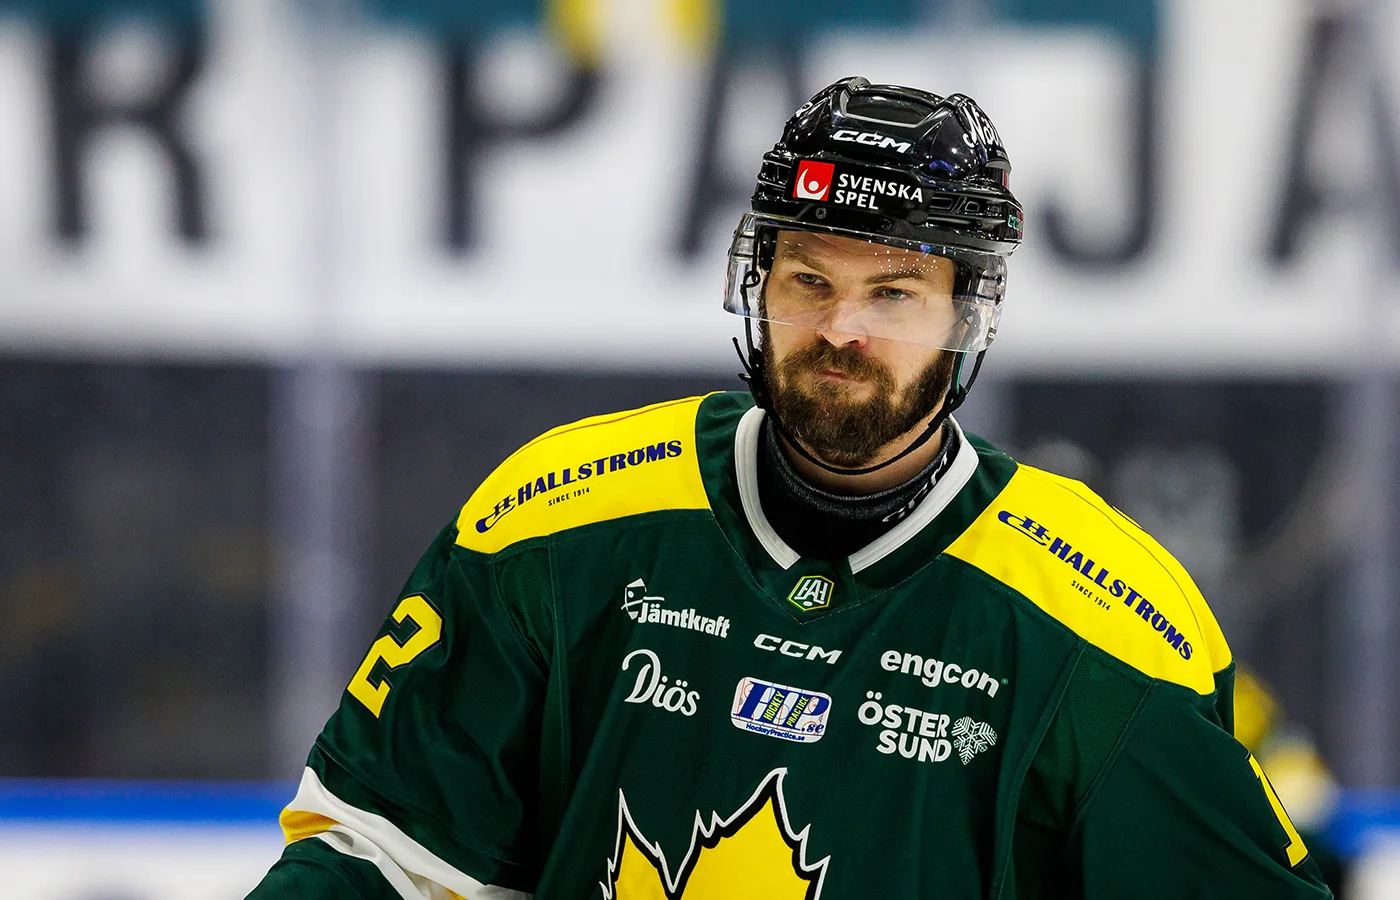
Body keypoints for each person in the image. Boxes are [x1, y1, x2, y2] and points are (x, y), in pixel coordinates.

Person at [247, 77, 1333, 899]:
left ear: (967, 317)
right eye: (808, 278)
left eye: (893, 293)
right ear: (756, 278)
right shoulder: (558, 520)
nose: (840, 329)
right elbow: (379, 854)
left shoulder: (1099, 630)